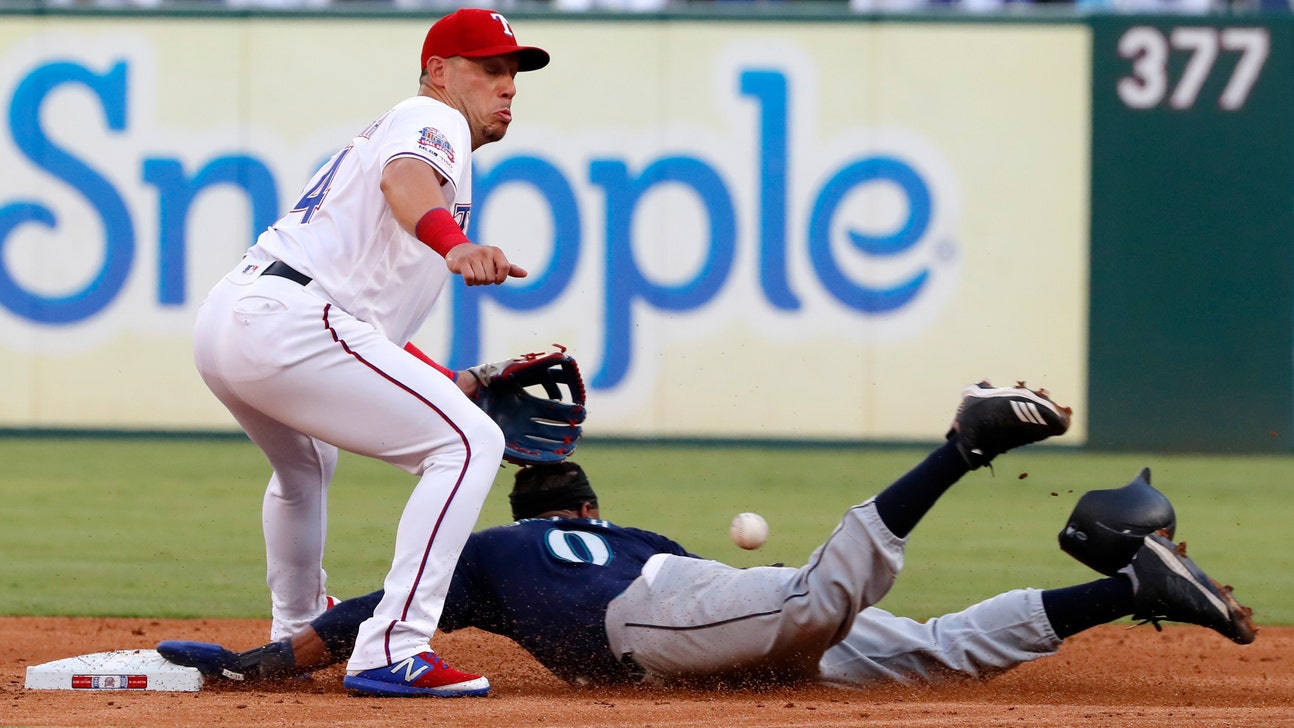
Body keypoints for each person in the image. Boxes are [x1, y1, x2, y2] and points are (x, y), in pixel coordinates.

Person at [159, 383, 1257, 693]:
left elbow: (359, 622)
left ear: (528, 514)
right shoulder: (623, 528)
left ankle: (959, 449)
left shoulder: (489, 558)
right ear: (582, 511)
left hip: (666, 621)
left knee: (816, 600)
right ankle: (1125, 586)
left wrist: (254, 662)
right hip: (695, 597)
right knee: (927, 646)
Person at [189, 8, 550, 698]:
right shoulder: (431, 118)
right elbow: (407, 182)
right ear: (440, 73)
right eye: (489, 68)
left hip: (238, 319)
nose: (507, 86)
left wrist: (452, 379)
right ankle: (393, 647)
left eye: (512, 72)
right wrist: (458, 246)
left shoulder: (397, 132)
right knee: (468, 445)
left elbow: (362, 327)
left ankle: (295, 628)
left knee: (304, 467)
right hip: (289, 320)